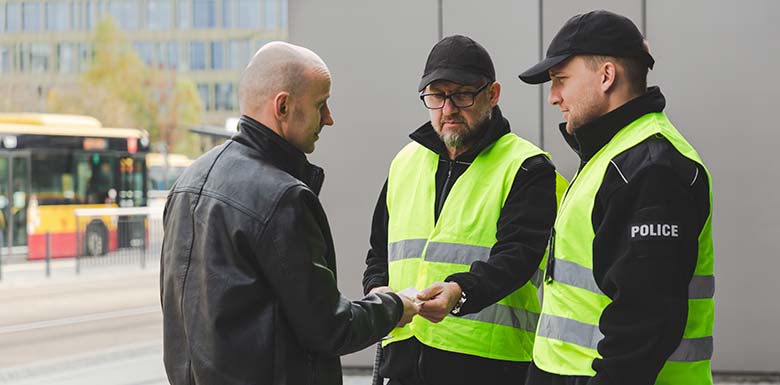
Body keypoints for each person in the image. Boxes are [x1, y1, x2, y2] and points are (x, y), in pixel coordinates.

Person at [160, 41, 419, 385]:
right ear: (282, 106)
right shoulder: (283, 198)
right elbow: (330, 327)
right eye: (321, 105)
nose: (329, 118)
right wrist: (396, 306)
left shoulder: (188, 182)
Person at [518, 10, 714, 385]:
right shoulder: (614, 155)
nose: (553, 97)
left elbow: (644, 320)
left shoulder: (650, 167)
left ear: (606, 76)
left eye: (560, 80)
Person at [363, 35, 565, 385]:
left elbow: (518, 256)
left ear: (494, 94)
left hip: (489, 367)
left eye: (462, 95)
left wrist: (459, 292)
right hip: (403, 363)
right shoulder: (405, 162)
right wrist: (377, 289)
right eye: (437, 96)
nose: (448, 108)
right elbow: (380, 250)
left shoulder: (527, 166)